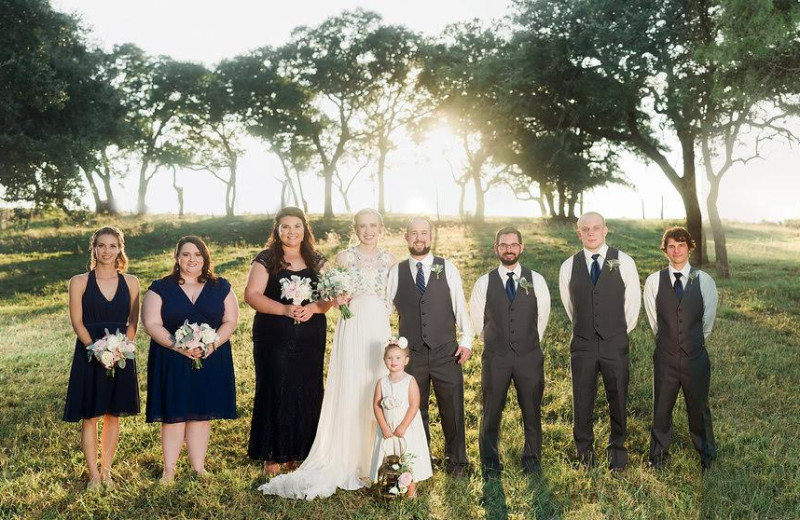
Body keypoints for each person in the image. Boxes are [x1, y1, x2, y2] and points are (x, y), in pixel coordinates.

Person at [258, 208, 395, 499]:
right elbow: (331, 293)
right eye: (362, 226)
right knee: (351, 385)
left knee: (376, 384)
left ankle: (375, 457)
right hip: (353, 325)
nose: (368, 231)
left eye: (373, 225)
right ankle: (343, 454)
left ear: (381, 228)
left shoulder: (391, 260)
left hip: (379, 326)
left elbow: (393, 297)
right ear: (354, 229)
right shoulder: (344, 258)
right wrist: (338, 298)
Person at [142, 236, 238, 482]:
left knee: (201, 413)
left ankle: (198, 467)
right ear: (177, 258)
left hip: (210, 357)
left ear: (205, 258)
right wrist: (178, 346)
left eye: (197, 254)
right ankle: (169, 470)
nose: (191, 259)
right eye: (186, 254)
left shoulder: (221, 286)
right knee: (174, 415)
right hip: (171, 359)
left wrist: (212, 343)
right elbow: (151, 323)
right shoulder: (160, 287)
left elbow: (230, 321)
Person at [246, 207, 332, 477]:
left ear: (305, 229)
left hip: (310, 335)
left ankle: (300, 452)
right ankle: (272, 454)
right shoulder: (266, 259)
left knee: (306, 388)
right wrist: (283, 309)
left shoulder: (317, 260)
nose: (291, 231)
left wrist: (315, 309)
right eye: (286, 226)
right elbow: (252, 295)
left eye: (297, 226)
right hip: (273, 333)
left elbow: (329, 298)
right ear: (277, 229)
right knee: (275, 387)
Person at [386, 216, 474, 477]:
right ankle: (422, 460)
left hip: (446, 351)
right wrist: (392, 343)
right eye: (414, 233)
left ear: (431, 236)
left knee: (453, 408)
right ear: (406, 237)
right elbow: (384, 310)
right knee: (415, 409)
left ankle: (457, 462)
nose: (419, 238)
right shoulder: (397, 271)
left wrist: (466, 341)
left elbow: (461, 308)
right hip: (411, 355)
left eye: (424, 233)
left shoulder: (448, 268)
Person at [558, 211, 641, 471]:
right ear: (578, 232)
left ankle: (617, 451)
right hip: (582, 343)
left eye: (596, 228)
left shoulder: (625, 261)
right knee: (581, 399)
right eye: (586, 229)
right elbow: (570, 305)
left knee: (618, 396)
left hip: (614, 341)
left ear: (606, 230)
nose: (591, 232)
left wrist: (615, 332)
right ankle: (584, 453)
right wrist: (586, 328)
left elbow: (633, 304)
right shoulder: (568, 265)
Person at [469, 226, 550, 478]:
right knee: (491, 410)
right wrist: (494, 341)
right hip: (496, 356)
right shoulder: (484, 282)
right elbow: (476, 319)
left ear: (521, 248)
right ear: (496, 248)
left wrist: (527, 341)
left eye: (513, 245)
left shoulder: (536, 279)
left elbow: (542, 316)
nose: (508, 249)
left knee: (531, 410)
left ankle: (532, 459)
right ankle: (490, 463)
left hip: (529, 355)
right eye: (503, 245)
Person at [64, 226, 141, 490]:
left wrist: (122, 348)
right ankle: (93, 475)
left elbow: (133, 321)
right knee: (91, 414)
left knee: (113, 414)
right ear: (94, 248)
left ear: (120, 248)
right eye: (101, 245)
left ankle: (107, 471)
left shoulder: (131, 282)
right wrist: (96, 349)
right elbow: (77, 321)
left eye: (112, 246)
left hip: (121, 352)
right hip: (89, 352)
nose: (107, 251)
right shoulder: (79, 282)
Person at [643, 226, 717, 472]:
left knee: (699, 408)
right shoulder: (654, 281)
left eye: (681, 245)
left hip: (695, 357)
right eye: (671, 246)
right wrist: (669, 342)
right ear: (665, 250)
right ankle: (658, 456)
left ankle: (707, 456)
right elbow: (655, 321)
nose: (676, 251)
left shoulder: (704, 280)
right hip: (665, 357)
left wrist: (692, 341)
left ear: (689, 248)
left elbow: (708, 320)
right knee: (661, 408)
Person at [369, 339, 433, 497]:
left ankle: (411, 491)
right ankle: (391, 486)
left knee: (408, 455)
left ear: (406, 360)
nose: (393, 361)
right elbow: (377, 405)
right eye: (389, 358)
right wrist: (383, 426)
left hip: (406, 427)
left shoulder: (409, 381)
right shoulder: (381, 382)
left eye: (398, 358)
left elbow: (414, 405)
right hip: (388, 428)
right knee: (390, 458)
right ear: (384, 360)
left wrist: (403, 426)